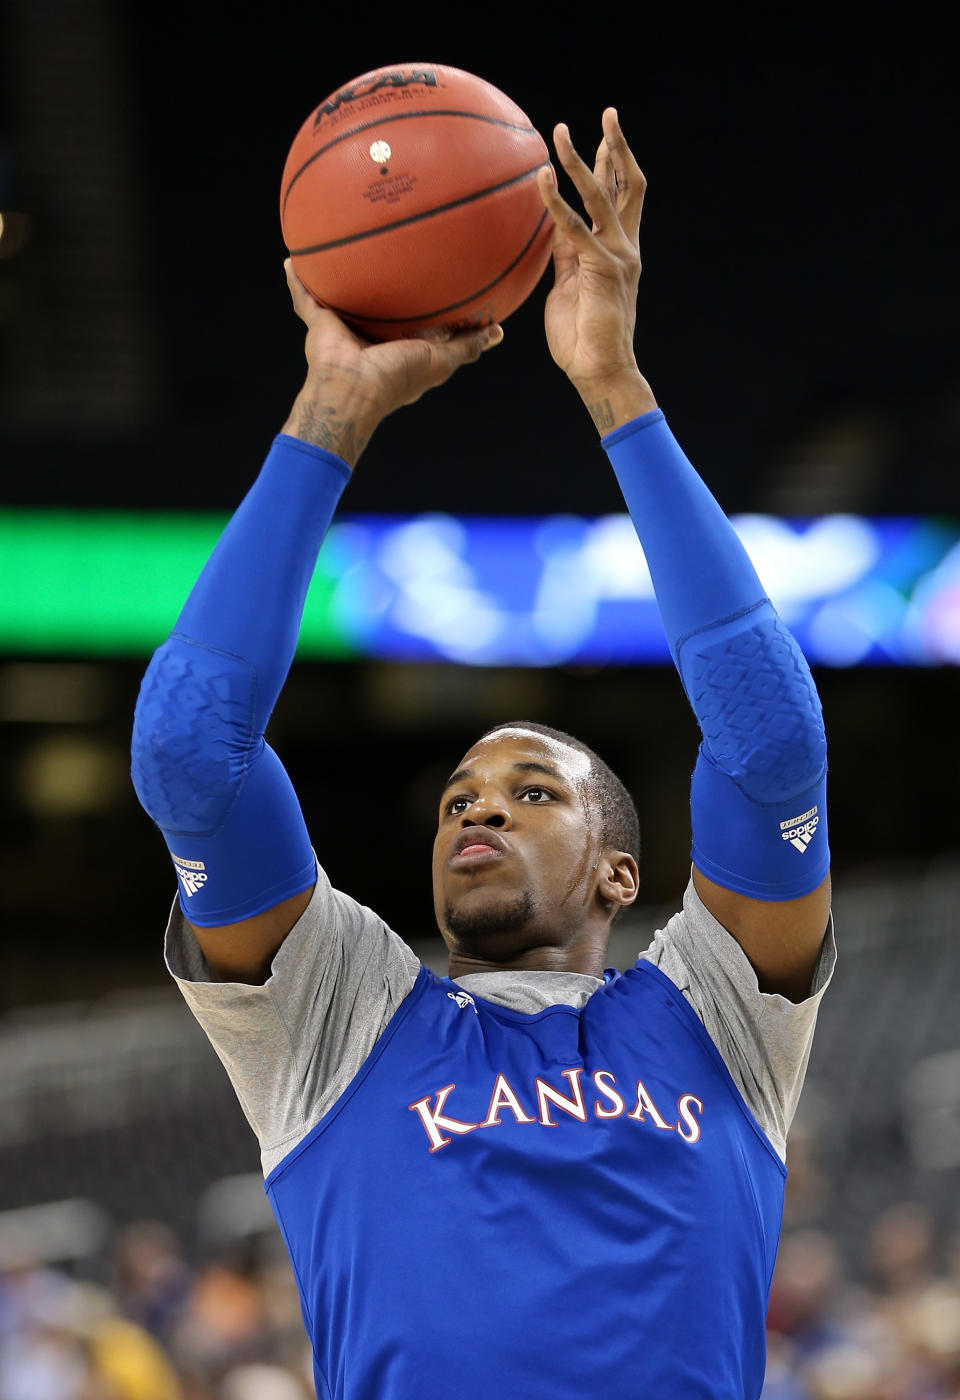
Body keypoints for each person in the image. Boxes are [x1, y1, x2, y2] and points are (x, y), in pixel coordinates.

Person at [130, 107, 835, 1399]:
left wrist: (614, 386)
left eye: (530, 790)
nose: (478, 810)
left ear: (624, 874)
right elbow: (190, 752)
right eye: (460, 794)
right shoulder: (338, 1018)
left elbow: (771, 741)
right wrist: (333, 405)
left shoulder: (716, 1015)